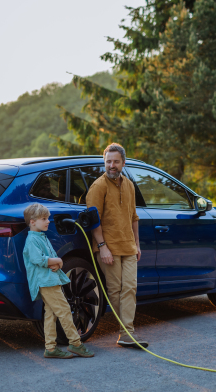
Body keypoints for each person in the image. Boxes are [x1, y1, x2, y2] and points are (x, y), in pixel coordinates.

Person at [86, 143, 149, 348]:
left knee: (130, 288)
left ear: (123, 162)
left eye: (115, 161)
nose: (111, 165)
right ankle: (127, 333)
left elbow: (133, 216)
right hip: (108, 248)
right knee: (115, 290)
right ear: (104, 162)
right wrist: (102, 246)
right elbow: (93, 220)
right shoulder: (99, 186)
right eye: (108, 161)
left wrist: (137, 244)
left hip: (129, 246)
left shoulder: (129, 185)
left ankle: (126, 333)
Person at [22, 203, 95, 359]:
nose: (48, 221)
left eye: (47, 218)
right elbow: (37, 259)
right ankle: (76, 344)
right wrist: (57, 261)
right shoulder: (32, 240)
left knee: (51, 314)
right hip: (45, 281)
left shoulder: (41, 237)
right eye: (44, 219)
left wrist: (55, 263)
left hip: (49, 279)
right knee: (64, 311)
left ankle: (50, 348)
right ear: (33, 222)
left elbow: (47, 258)